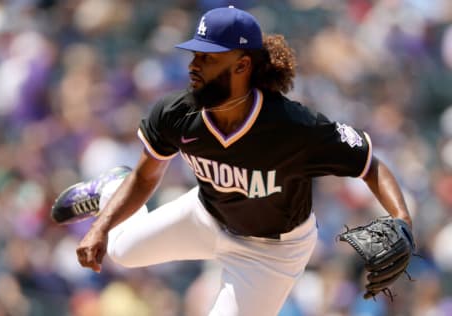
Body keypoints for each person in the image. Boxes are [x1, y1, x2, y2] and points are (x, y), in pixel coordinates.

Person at [52, 6, 413, 315]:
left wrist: (402, 220)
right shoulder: (177, 113)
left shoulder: (294, 127)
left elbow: (370, 166)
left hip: (270, 253)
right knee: (121, 250)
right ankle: (111, 184)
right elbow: (146, 179)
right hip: (206, 214)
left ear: (242, 66)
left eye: (208, 58)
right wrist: (100, 227)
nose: (194, 66)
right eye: (194, 55)